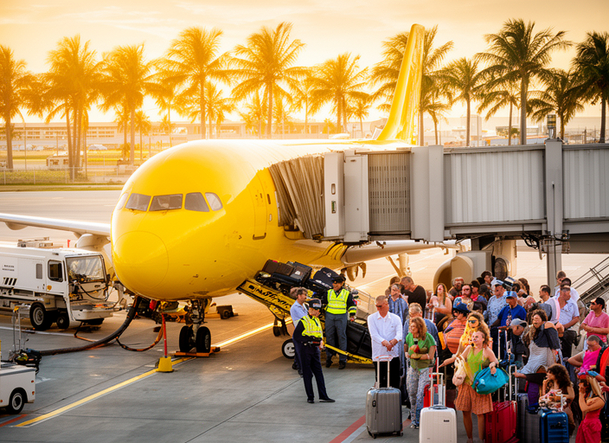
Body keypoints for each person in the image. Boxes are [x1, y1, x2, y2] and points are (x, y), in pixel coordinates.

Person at [455, 329, 499, 443]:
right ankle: (469, 438)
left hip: (479, 385)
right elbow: (460, 359)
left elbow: (495, 361)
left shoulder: (487, 351)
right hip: (466, 384)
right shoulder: (469, 348)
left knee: (480, 413)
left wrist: (492, 365)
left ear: (483, 339)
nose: (474, 338)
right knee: (465, 411)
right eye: (473, 336)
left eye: (476, 337)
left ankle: (481, 439)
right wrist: (456, 362)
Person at [292, 298, 335, 403]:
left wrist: (320, 342)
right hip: (305, 349)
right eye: (316, 309)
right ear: (310, 309)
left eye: (319, 310)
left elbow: (319, 334)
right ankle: (310, 397)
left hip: (315, 350)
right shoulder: (303, 321)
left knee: (319, 373)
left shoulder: (317, 320)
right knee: (307, 374)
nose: (318, 312)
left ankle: (323, 395)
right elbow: (296, 337)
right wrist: (310, 339)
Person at [404, 316, 436, 429]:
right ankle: (414, 420)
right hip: (413, 368)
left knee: (420, 395)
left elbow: (431, 356)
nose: (411, 328)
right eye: (410, 326)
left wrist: (417, 356)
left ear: (419, 327)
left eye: (414, 326)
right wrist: (406, 353)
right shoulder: (409, 336)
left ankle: (420, 419)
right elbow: (406, 345)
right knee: (412, 393)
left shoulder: (428, 338)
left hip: (424, 369)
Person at [368, 295, 403, 392]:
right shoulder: (371, 318)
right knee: (381, 383)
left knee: (394, 382)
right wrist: (386, 343)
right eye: (377, 306)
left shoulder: (396, 318)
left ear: (387, 305)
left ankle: (394, 400)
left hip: (393, 355)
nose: (378, 309)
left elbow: (399, 334)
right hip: (379, 356)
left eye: (380, 306)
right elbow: (374, 335)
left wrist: (393, 342)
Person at [514, 310, 561, 382]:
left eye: (537, 319)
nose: (534, 321)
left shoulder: (547, 326)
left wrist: (555, 358)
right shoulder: (533, 332)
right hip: (535, 358)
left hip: (545, 357)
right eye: (533, 319)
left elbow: (554, 345)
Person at [324, 276, 356, 369]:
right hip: (330, 316)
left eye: (336, 284)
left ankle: (342, 360)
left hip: (341, 317)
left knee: (341, 337)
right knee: (329, 337)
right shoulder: (328, 292)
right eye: (333, 283)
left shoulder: (346, 293)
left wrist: (352, 314)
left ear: (341, 283)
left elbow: (351, 305)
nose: (334, 285)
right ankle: (329, 358)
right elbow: (324, 302)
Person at [540, 364, 576, 433]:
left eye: (550, 373)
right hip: (551, 412)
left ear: (556, 374)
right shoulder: (549, 384)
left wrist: (558, 396)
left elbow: (571, 396)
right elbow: (545, 397)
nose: (548, 374)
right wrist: (544, 385)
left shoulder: (566, 384)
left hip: (563, 411)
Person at [576, 375, 605, 443]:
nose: (580, 389)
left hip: (593, 425)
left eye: (581, 387)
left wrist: (581, 395)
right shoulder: (587, 398)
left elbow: (584, 408)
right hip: (584, 424)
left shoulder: (599, 400)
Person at [556, 282, 580, 359]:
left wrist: (565, 326)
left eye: (568, 290)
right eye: (565, 290)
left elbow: (576, 318)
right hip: (555, 327)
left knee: (568, 336)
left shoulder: (573, 304)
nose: (567, 293)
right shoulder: (554, 302)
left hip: (567, 328)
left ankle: (566, 358)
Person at [486, 280, 508, 358]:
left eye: (498, 287)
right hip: (491, 326)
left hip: (501, 327)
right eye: (495, 287)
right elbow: (488, 311)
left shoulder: (506, 299)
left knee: (499, 347)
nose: (496, 288)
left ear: (502, 288)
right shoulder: (492, 299)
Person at [290, 287, 309, 374]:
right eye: (304, 295)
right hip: (299, 332)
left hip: (304, 331)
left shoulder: (304, 305)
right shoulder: (295, 307)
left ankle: (296, 364)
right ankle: (300, 369)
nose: (306, 297)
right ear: (299, 296)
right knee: (300, 351)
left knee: (300, 350)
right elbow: (305, 318)